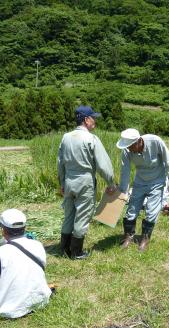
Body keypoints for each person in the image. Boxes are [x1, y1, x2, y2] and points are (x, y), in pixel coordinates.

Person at [57, 105, 116, 260]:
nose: (95, 120)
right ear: (86, 119)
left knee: (69, 214)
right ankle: (76, 252)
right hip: (85, 181)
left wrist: (62, 183)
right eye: (93, 118)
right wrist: (111, 183)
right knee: (83, 215)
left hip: (69, 181)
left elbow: (60, 163)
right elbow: (103, 165)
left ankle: (63, 249)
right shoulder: (91, 138)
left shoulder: (66, 137)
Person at [116, 128, 169, 251]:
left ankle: (145, 239)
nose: (129, 149)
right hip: (140, 181)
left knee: (152, 211)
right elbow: (125, 171)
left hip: (157, 181)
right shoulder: (126, 151)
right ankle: (128, 236)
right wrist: (123, 191)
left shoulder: (155, 141)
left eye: (130, 146)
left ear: (138, 142)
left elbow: (167, 158)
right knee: (132, 208)